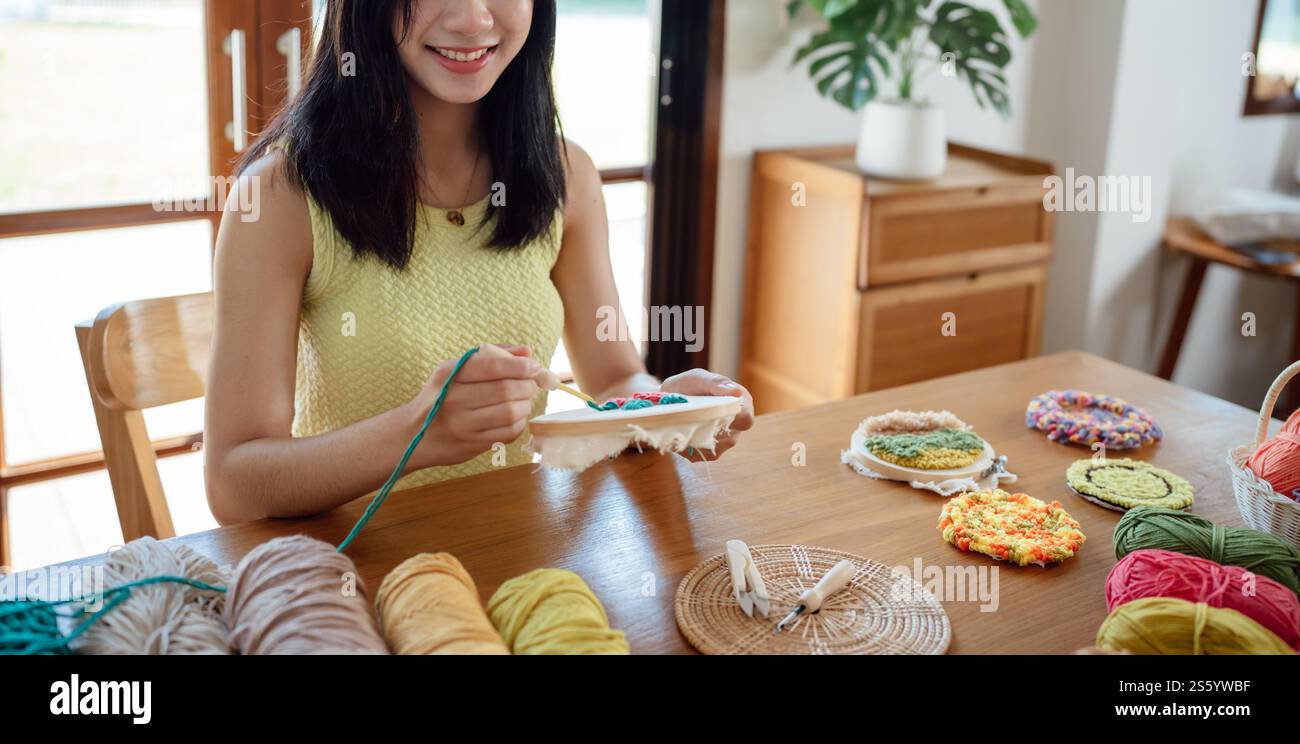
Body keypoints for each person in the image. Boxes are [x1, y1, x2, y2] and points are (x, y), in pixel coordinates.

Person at [204, 0, 754, 524]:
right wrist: (417, 432)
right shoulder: (279, 197)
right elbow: (233, 487)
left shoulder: (565, 175)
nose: (472, 19)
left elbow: (613, 380)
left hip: (522, 554)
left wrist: (670, 410)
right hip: (356, 578)